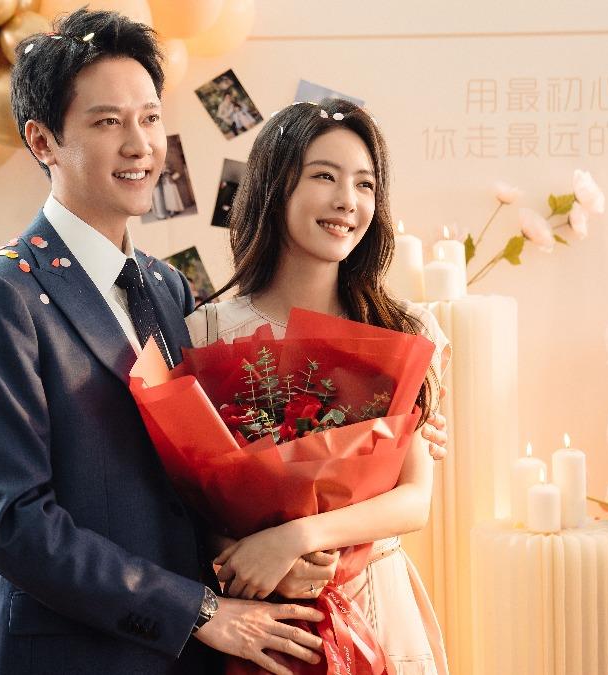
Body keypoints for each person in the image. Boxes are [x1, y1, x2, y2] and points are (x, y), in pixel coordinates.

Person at [0, 10, 334, 674]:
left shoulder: (165, 285)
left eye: (150, 118)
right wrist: (198, 611)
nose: (140, 145)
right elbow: (16, 525)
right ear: (42, 140)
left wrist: (273, 547)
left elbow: (195, 477)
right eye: (107, 122)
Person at [186, 98, 452, 675]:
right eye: (324, 177)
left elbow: (415, 499)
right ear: (275, 187)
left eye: (365, 184)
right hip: (259, 617)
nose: (347, 201)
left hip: (376, 604)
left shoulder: (405, 330)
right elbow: (185, 502)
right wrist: (246, 557)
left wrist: (296, 539)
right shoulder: (206, 331)